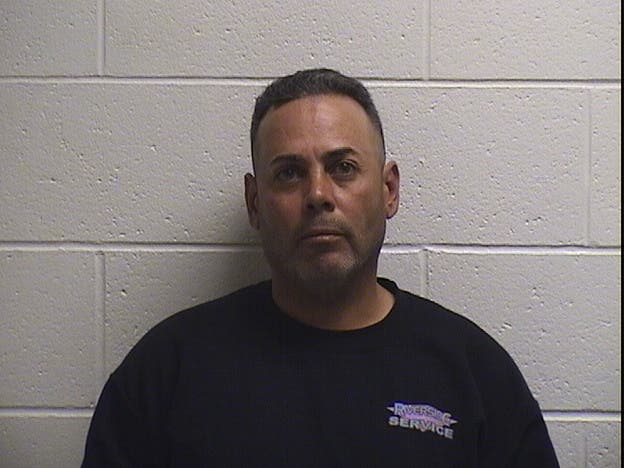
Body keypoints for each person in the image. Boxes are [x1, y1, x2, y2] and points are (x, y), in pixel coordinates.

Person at [82, 68, 559, 467]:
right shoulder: (167, 371)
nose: (318, 195)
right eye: (289, 173)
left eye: (343, 168)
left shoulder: (475, 374)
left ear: (389, 191)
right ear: (255, 203)